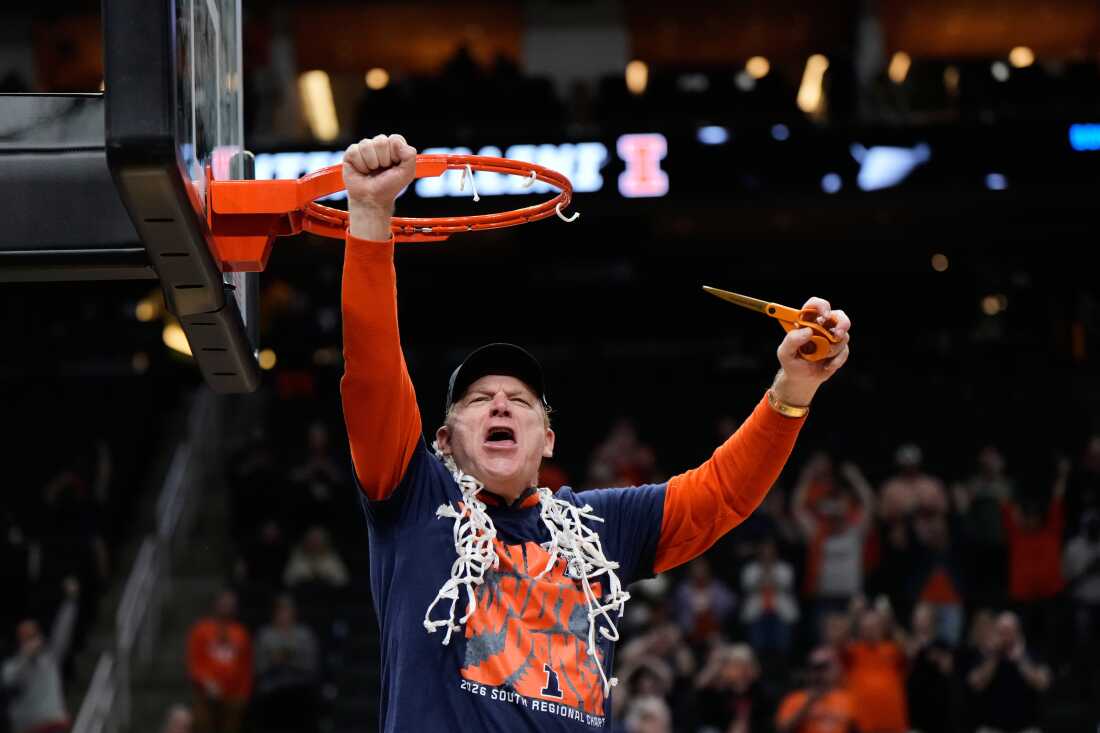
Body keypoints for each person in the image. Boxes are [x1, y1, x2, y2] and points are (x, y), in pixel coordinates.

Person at [338, 133, 852, 731]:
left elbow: (722, 495)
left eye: (521, 402)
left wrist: (794, 388)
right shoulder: (415, 499)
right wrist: (372, 217)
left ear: (548, 440)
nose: (501, 404)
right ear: (444, 441)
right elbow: (373, 374)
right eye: (479, 400)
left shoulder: (598, 529)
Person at [966, 611, 1050, 733]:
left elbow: (1043, 684)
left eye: (1009, 631)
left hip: (1026, 727)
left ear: (1018, 632)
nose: (1006, 636)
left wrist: (1021, 660)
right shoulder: (985, 655)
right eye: (1002, 631)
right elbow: (975, 684)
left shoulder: (1031, 654)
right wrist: (994, 657)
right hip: (991, 727)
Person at [2, 596, 77, 733]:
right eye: (27, 639)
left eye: (34, 637)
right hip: (29, 727)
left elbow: (63, 632)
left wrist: (70, 602)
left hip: (54, 722)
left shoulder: (50, 658)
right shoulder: (13, 665)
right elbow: (7, 679)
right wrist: (25, 657)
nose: (32, 643)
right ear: (20, 643)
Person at [185, 590, 252, 733]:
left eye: (231, 603)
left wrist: (244, 694)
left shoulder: (241, 633)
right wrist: (206, 682)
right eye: (224, 602)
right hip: (206, 694)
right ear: (216, 604)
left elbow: (246, 667)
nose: (227, 606)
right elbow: (194, 663)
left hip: (233, 696)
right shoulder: (201, 629)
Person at [254, 596, 320, 733]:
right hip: (272, 688)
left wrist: (287, 658)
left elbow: (311, 664)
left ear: (294, 613)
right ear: (274, 613)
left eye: (287, 611)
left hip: (299, 688)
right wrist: (275, 661)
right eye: (280, 611)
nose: (284, 615)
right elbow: (259, 665)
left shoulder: (305, 634)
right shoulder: (265, 634)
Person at [842, 607, 908, 733]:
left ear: (882, 628)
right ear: (860, 629)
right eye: (866, 627)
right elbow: (838, 639)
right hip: (862, 725)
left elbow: (909, 649)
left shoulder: (894, 650)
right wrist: (852, 617)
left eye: (874, 626)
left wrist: (891, 623)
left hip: (892, 724)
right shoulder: (852, 652)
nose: (870, 631)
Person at [694, 644, 775, 733]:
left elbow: (767, 723)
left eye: (744, 665)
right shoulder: (721, 692)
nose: (740, 670)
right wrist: (716, 665)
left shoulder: (761, 692)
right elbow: (699, 689)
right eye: (735, 665)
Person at [775, 647, 856, 733]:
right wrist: (808, 704)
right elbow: (782, 729)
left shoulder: (847, 699)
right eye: (815, 668)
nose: (819, 674)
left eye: (824, 668)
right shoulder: (795, 699)